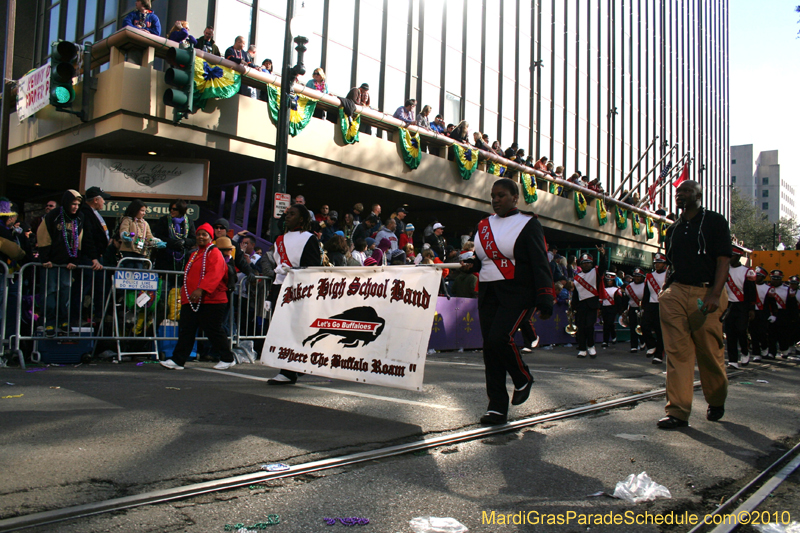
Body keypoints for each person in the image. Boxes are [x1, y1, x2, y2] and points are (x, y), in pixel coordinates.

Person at [461, 178, 555, 425]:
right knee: (490, 350)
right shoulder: (483, 225)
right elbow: (483, 260)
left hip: (519, 292)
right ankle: (497, 407)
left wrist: (545, 296)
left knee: (499, 338)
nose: (495, 200)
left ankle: (523, 377)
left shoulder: (528, 223)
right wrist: (473, 264)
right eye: (493, 195)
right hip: (489, 292)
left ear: (515, 197)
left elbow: (539, 262)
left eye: (501, 195)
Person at [657, 180, 732, 429]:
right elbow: (672, 264)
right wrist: (666, 289)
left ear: (698, 197)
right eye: (678, 191)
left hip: (707, 291)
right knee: (677, 352)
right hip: (677, 291)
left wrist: (714, 294)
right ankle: (677, 411)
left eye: (686, 191)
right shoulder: (673, 228)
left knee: (709, 352)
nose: (680, 195)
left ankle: (717, 398)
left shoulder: (714, 221)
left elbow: (723, 261)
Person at [160, 223, 237, 371]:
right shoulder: (196, 253)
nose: (201, 237)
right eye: (199, 234)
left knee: (213, 330)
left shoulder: (213, 252)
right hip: (193, 299)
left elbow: (215, 273)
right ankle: (178, 360)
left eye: (204, 234)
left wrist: (201, 289)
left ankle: (227, 358)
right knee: (186, 330)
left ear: (210, 237)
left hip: (211, 299)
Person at [267, 204, 322, 385]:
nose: (287, 216)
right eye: (286, 213)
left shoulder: (309, 238)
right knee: (282, 329)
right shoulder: (278, 240)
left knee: (293, 329)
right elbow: (276, 266)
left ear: (301, 219)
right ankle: (294, 365)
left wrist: (293, 270)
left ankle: (288, 371)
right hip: (279, 287)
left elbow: (313, 267)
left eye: (292, 214)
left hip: (298, 289)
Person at [37, 190, 88, 336]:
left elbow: (79, 239)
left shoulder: (79, 217)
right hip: (51, 263)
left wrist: (74, 260)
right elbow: (43, 235)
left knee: (65, 292)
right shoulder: (53, 216)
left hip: (67, 264)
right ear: (66, 202)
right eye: (73, 204)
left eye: (78, 204)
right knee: (50, 292)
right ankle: (49, 322)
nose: (75, 207)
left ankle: (63, 320)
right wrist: (45, 258)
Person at [571, 247, 606, 358]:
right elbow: (576, 294)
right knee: (580, 327)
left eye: (588, 263)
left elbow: (603, 267)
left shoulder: (596, 272)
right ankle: (582, 348)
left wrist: (603, 255)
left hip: (592, 304)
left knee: (589, 326)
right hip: (581, 305)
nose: (586, 265)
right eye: (584, 263)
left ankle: (591, 346)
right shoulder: (577, 278)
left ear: (591, 264)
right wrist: (573, 307)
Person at [724, 245, 755, 368]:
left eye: (732, 256)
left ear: (738, 257)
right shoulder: (724, 270)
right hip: (729, 305)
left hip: (742, 305)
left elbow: (751, 292)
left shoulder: (747, 271)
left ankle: (745, 351)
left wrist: (752, 309)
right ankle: (733, 360)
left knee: (741, 330)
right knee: (730, 333)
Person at [152, 199, 196, 272]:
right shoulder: (164, 220)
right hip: (166, 257)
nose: (172, 210)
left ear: (181, 210)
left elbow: (193, 239)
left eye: (175, 209)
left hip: (182, 258)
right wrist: (173, 242)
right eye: (170, 208)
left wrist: (184, 242)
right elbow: (158, 236)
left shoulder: (189, 222)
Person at [641, 253, 668, 364]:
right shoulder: (649, 276)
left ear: (664, 264)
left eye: (659, 263)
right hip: (651, 304)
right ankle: (651, 345)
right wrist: (643, 306)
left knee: (659, 330)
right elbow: (646, 293)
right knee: (644, 326)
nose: (657, 265)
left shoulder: (668, 275)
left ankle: (658, 355)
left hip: (663, 305)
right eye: (656, 263)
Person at [119, 200, 160, 267]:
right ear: (135, 210)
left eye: (145, 211)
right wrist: (125, 236)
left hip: (141, 252)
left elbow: (149, 236)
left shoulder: (145, 223)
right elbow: (124, 230)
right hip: (129, 251)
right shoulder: (127, 220)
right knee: (129, 268)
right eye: (142, 210)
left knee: (139, 269)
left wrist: (156, 242)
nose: (144, 213)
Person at [765, 269, 791, 360]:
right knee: (771, 334)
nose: (775, 281)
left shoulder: (787, 289)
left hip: (783, 313)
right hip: (771, 312)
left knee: (783, 333)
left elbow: (790, 304)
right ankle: (772, 352)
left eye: (777, 279)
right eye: (773, 278)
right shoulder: (767, 288)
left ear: (781, 279)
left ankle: (784, 350)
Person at [622, 268, 646, 353]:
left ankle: (643, 341)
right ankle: (634, 346)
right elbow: (626, 299)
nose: (636, 278)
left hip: (643, 308)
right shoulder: (629, 287)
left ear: (642, 277)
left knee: (643, 327)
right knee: (633, 327)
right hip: (632, 308)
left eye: (638, 276)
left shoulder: (645, 285)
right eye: (635, 276)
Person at [749, 266, 769, 361]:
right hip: (752, 312)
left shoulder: (767, 288)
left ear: (763, 277)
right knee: (753, 333)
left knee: (762, 333)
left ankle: (764, 347)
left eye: (759, 276)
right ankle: (756, 353)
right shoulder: (750, 285)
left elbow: (771, 303)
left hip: (762, 313)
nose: (756, 277)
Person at [600, 272, 621, 347]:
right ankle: (605, 341)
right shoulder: (603, 289)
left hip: (612, 308)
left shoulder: (617, 289)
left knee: (609, 323)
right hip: (605, 308)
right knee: (606, 324)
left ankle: (611, 337)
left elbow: (618, 301)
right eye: (608, 280)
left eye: (611, 280)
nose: (609, 282)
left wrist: (618, 310)